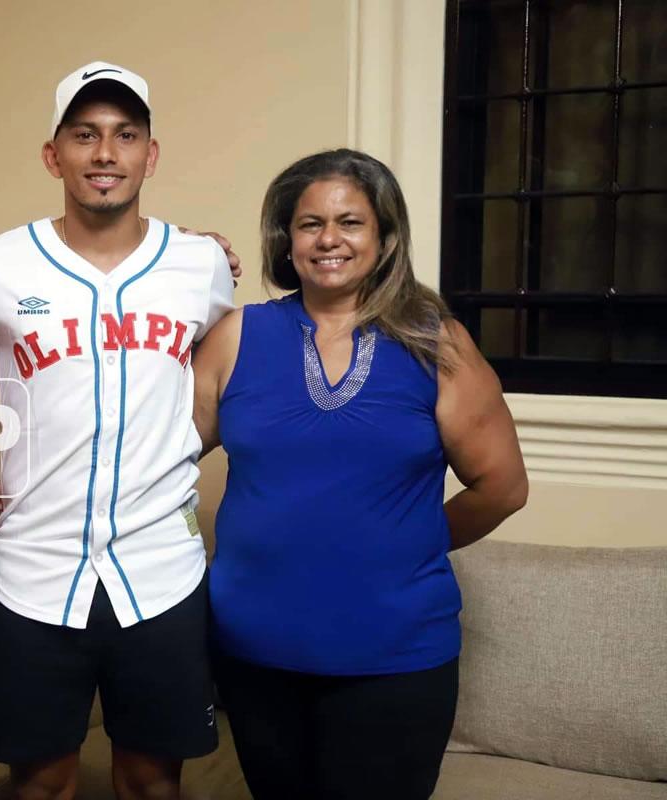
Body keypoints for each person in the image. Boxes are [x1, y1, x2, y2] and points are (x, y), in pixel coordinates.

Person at [0, 63, 234, 800]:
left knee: (154, 783)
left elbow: (224, 390)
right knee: (39, 785)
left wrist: (158, 459)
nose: (105, 153)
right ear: (53, 155)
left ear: (150, 155)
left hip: (161, 572)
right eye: (86, 135)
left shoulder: (201, 265)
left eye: (125, 135)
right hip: (32, 576)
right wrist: (1, 467)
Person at [191, 148, 528, 800]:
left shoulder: (436, 342)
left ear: (385, 237)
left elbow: (503, 487)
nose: (329, 239)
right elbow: (153, 454)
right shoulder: (237, 336)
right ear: (286, 241)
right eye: (309, 223)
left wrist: (409, 541)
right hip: (253, 653)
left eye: (351, 222)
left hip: (395, 658)